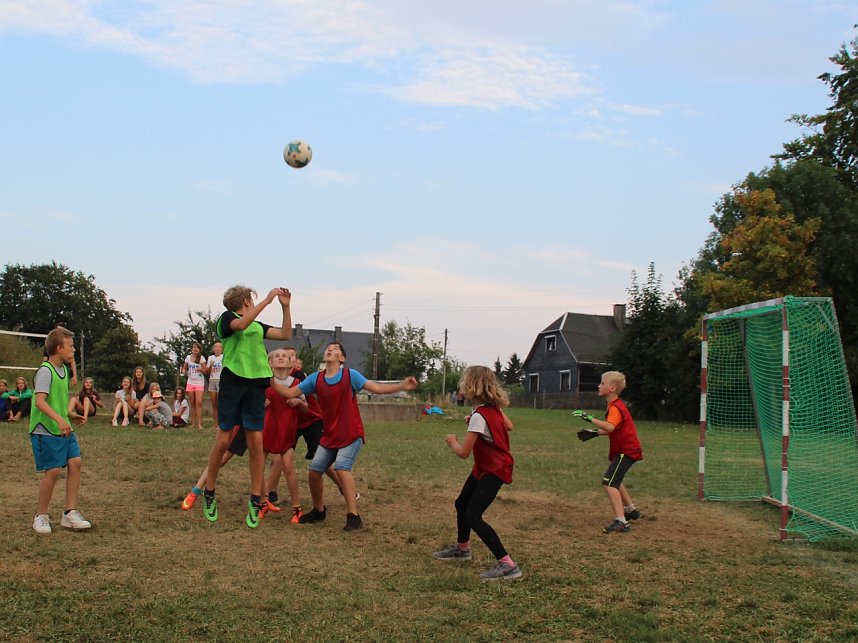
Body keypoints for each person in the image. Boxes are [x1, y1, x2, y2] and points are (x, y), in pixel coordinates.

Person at [270, 341, 418, 531]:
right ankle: (318, 510)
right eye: (329, 348)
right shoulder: (316, 379)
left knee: (341, 467)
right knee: (314, 472)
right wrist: (271, 380)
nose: (330, 349)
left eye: (336, 349)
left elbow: (377, 389)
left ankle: (353, 516)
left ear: (342, 359)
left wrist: (402, 385)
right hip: (330, 434)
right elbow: (290, 392)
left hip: (350, 432)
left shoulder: (350, 375)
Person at [200, 285, 292, 529]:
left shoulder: (257, 325)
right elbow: (240, 326)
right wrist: (268, 300)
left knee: (256, 444)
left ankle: (254, 499)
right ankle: (209, 491)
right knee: (223, 441)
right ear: (245, 301)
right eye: (252, 298)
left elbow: (285, 334)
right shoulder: (227, 319)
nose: (255, 301)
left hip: (256, 384)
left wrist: (285, 307)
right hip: (234, 382)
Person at [433, 365, 522, 581]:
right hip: (485, 467)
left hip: (495, 469)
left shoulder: (479, 416)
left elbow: (463, 453)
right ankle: (462, 549)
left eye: (465, 380)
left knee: (472, 515)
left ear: (472, 385)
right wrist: (478, 424)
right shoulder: (490, 410)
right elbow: (508, 426)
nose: (462, 384)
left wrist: (452, 442)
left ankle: (508, 565)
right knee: (461, 504)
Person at [265, 346, 348, 509]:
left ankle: (342, 486)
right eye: (280, 355)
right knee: (280, 459)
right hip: (291, 423)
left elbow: (314, 396)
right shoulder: (271, 379)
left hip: (311, 420)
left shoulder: (301, 378)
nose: (285, 358)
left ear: (294, 362)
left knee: (320, 456)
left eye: (290, 356)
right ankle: (269, 495)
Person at [29, 326, 90, 533]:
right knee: (53, 471)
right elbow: (40, 402)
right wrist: (59, 419)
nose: (74, 350)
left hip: (63, 426)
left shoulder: (63, 370)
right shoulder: (45, 371)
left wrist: (69, 415)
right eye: (70, 347)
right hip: (45, 428)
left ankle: (69, 513)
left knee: (76, 463)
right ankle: (41, 516)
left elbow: (57, 401)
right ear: (58, 349)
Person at [573, 370, 643, 534]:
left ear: (612, 388)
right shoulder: (615, 406)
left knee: (609, 483)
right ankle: (630, 510)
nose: (599, 385)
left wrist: (588, 417)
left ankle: (621, 522)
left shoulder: (615, 408)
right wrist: (594, 433)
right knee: (615, 480)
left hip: (626, 451)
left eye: (602, 383)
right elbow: (614, 429)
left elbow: (610, 426)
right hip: (626, 450)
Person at [261, 348, 307, 523]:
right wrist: (260, 402)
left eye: (285, 356)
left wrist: (298, 402)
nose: (280, 358)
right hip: (266, 430)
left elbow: (306, 407)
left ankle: (297, 508)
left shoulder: (297, 383)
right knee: (259, 465)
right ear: (270, 363)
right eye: (276, 356)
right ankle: (260, 503)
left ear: (291, 363)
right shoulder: (264, 383)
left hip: (287, 431)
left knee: (288, 466)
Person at [181, 426, 247, 510]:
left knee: (260, 455)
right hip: (241, 421)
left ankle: (264, 499)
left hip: (257, 419)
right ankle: (196, 491)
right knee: (223, 457)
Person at [181, 342, 206, 429]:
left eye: (197, 348)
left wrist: (201, 369)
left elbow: (205, 370)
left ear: (199, 349)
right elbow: (184, 367)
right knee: (192, 403)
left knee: (198, 402)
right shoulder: (188, 357)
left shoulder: (201, 358)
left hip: (199, 382)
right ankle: (193, 423)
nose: (195, 349)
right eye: (194, 347)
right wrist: (184, 371)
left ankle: (199, 423)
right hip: (190, 382)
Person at [203, 341, 224, 429]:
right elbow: (207, 372)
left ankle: (221, 424)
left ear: (222, 349)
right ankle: (215, 424)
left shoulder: (224, 357)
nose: (218, 348)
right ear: (213, 348)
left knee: (221, 404)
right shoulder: (210, 358)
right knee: (214, 404)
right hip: (212, 380)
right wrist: (210, 366)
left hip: (220, 380)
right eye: (216, 346)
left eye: (219, 347)